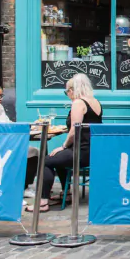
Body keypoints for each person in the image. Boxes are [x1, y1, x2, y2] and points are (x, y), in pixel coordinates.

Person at [28, 74, 101, 213]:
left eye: (66, 91)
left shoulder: (78, 103)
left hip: (81, 152)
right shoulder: (95, 101)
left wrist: (64, 146)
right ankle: (67, 194)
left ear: (73, 90)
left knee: (46, 161)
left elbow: (74, 129)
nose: (67, 94)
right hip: (92, 150)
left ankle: (42, 202)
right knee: (58, 157)